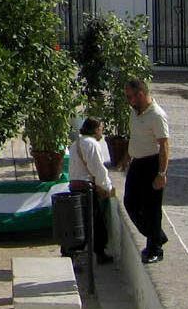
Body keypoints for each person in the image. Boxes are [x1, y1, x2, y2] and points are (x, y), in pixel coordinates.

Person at [120, 79, 170, 264]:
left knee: (151, 208)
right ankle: (157, 236)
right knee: (130, 202)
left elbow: (164, 145)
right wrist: (127, 156)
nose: (128, 101)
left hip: (151, 163)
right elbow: (135, 137)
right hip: (137, 163)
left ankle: (155, 248)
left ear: (140, 94)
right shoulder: (135, 112)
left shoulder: (157, 115)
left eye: (130, 97)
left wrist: (161, 173)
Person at [68, 117, 115, 264]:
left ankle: (73, 255)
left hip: (74, 186)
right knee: (96, 222)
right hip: (86, 188)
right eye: (101, 129)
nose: (102, 132)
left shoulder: (75, 144)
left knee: (78, 221)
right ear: (95, 130)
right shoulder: (92, 144)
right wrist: (107, 187)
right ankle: (100, 253)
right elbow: (98, 169)